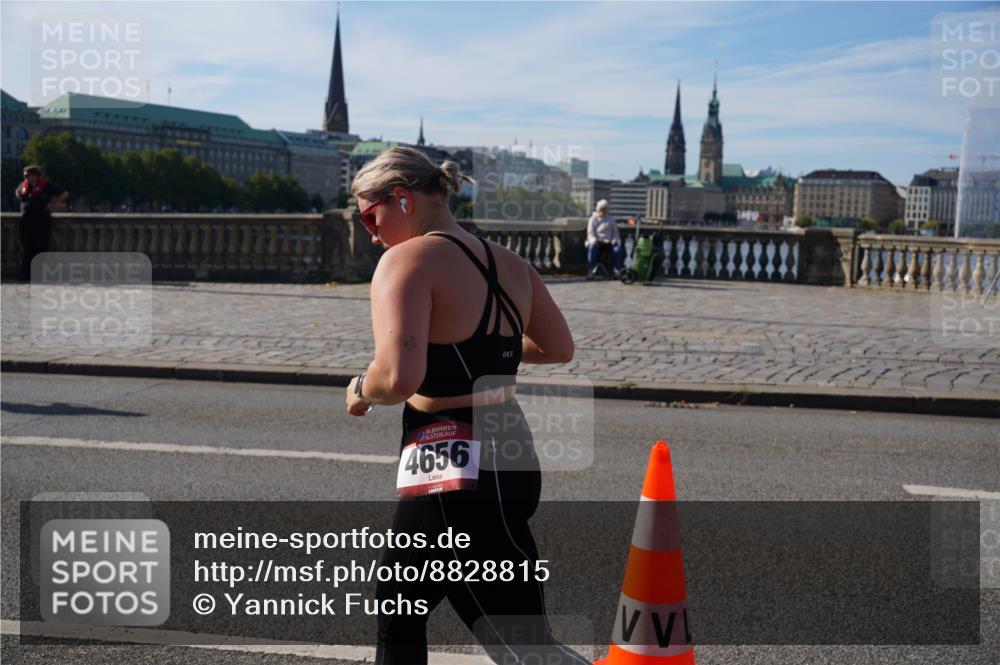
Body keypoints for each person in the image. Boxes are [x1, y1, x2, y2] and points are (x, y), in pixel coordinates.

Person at [344, 147, 587, 665]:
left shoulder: (406, 261)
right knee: (400, 604)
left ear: (402, 199)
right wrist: (481, 349)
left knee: (520, 644)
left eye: (370, 216)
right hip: (510, 444)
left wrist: (361, 388)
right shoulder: (511, 263)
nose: (370, 233)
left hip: (453, 457)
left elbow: (398, 377)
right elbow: (557, 348)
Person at [15, 165, 68, 281]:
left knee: (40, 249)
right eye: (26, 176)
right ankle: (25, 275)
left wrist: (52, 204)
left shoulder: (46, 186)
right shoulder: (24, 185)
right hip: (26, 222)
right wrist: (20, 195)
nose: (28, 178)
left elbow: (64, 194)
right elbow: (17, 192)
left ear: (36, 175)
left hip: (41, 222)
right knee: (26, 249)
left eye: (30, 175)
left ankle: (38, 275)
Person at [585, 199, 623, 278]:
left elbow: (615, 232)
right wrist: (594, 240)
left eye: (605, 208)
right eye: (602, 208)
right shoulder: (593, 219)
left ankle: (617, 270)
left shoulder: (611, 219)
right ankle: (591, 269)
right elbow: (590, 233)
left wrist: (614, 240)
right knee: (592, 248)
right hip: (597, 242)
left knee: (617, 249)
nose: (604, 210)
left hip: (609, 242)